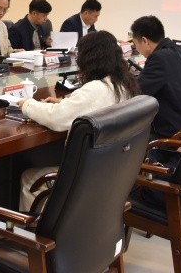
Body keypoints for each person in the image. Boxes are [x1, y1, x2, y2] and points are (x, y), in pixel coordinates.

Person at [15, 31, 139, 209]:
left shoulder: (96, 89)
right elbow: (89, 105)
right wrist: (65, 102)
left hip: (87, 176)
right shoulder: (123, 84)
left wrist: (28, 104)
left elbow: (56, 118)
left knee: (31, 179)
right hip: (112, 172)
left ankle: (37, 227)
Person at [130, 15, 181, 138]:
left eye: (135, 44)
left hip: (177, 136)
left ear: (144, 41)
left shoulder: (159, 58)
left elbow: (135, 94)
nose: (136, 49)